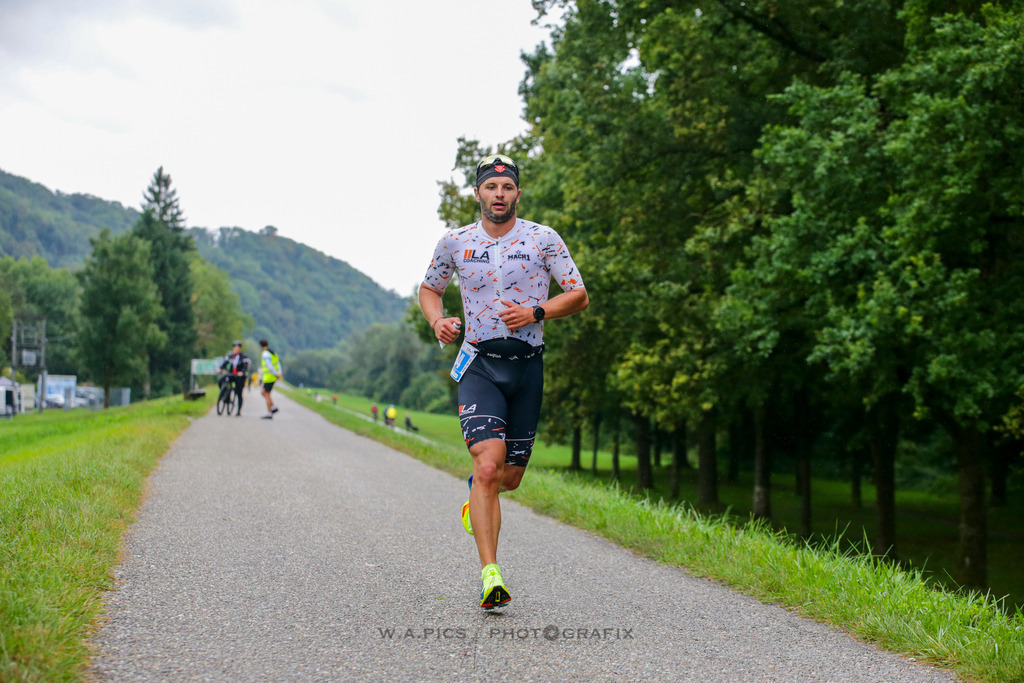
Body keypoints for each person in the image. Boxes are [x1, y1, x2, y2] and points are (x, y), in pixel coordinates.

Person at [419, 153, 588, 610]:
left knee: (508, 478)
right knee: (488, 466)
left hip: (527, 366)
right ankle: (490, 575)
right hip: (479, 366)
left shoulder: (542, 239)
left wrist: (537, 311)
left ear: (516, 192)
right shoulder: (455, 242)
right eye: (491, 188)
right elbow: (429, 288)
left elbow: (578, 294)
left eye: (506, 188)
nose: (499, 195)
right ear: (477, 193)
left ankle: (478, 501)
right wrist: (437, 322)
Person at [218, 340, 250, 416]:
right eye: (235, 348)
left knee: (239, 392)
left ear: (240, 348)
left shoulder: (244, 357)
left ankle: (238, 410)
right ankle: (224, 394)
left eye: (238, 348)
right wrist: (220, 368)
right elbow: (224, 364)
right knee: (221, 380)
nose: (236, 349)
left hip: (239, 376)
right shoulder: (230, 356)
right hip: (232, 374)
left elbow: (245, 366)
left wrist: (242, 372)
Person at [259, 339, 283, 420]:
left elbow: (269, 365)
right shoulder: (273, 353)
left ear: (261, 346)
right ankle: (274, 407)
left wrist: (276, 374)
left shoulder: (265, 353)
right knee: (264, 393)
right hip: (272, 377)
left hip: (270, 377)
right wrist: (279, 373)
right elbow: (278, 363)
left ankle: (269, 413)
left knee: (267, 394)